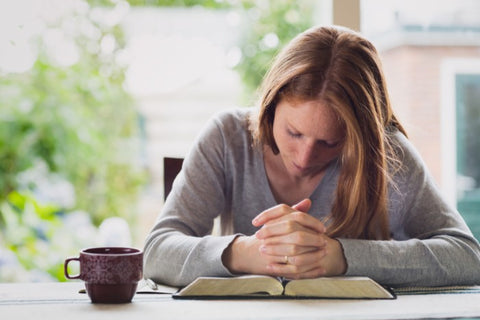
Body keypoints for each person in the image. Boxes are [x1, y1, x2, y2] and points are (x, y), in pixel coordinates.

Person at [143, 25, 480, 288]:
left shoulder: (386, 154)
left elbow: (467, 258)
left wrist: (340, 257)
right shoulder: (227, 137)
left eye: (331, 142)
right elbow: (156, 253)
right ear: (272, 105)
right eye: (294, 133)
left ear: (359, 137)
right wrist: (248, 253)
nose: (305, 157)